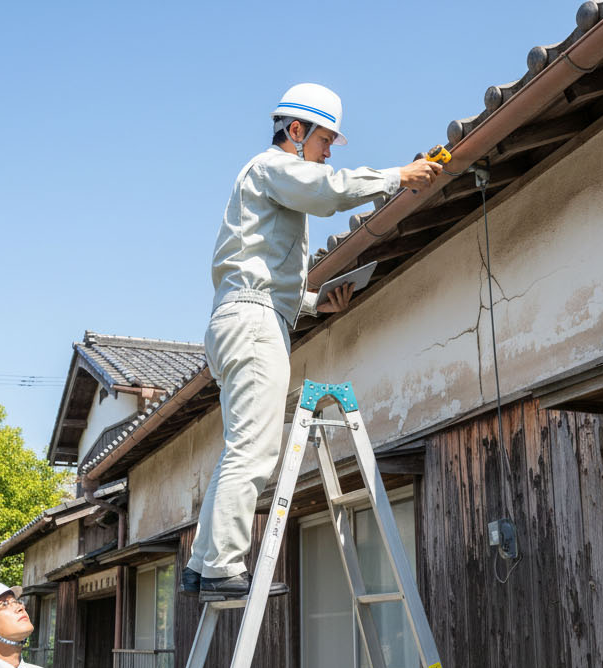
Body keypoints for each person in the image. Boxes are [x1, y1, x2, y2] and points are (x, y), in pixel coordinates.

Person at [184, 83, 441, 601]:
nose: (328, 153)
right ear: (296, 130)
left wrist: (313, 304)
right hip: (254, 322)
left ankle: (201, 565)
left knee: (241, 448)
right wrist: (398, 176)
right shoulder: (272, 167)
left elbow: (265, 275)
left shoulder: (270, 183)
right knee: (254, 451)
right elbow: (328, 193)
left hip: (245, 316)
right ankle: (221, 568)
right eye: (325, 140)